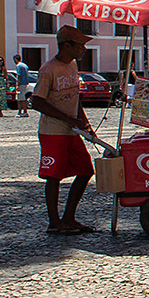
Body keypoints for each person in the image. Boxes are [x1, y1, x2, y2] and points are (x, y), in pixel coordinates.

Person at [32, 26, 111, 235]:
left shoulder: (73, 66)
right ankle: (54, 222)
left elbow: (75, 99)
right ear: (67, 46)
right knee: (53, 176)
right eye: (80, 45)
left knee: (86, 171)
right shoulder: (49, 69)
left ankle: (69, 217)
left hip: (71, 130)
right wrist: (68, 119)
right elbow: (37, 102)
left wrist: (85, 123)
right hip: (53, 131)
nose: (84, 49)